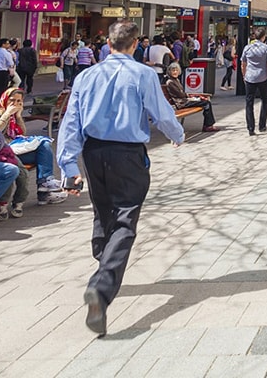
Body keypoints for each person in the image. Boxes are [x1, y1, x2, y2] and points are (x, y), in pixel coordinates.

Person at [56, 20, 185, 336]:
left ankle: (103, 266)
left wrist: (69, 168)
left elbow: (70, 122)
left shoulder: (86, 76)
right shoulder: (142, 74)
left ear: (108, 46)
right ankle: (101, 288)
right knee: (125, 221)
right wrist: (177, 134)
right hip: (127, 154)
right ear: (133, 46)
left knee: (103, 213)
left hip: (93, 153)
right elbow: (161, 113)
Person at [0, 87, 66, 218]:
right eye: (12, 100)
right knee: (20, 172)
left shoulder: (15, 115)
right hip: (0, 153)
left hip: (16, 149)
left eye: (19, 101)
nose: (15, 104)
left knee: (44, 145)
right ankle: (12, 202)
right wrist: (7, 114)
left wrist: (18, 117)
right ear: (5, 99)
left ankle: (44, 186)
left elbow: (22, 133)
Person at [165, 63, 219, 133]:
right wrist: (190, 97)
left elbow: (182, 93)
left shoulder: (176, 80)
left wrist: (191, 96)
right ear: (169, 72)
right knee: (206, 103)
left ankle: (208, 125)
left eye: (176, 70)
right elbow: (180, 94)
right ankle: (208, 125)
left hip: (184, 101)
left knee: (205, 102)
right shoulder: (170, 82)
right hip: (181, 103)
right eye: (173, 70)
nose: (175, 72)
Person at [241, 28, 267, 137]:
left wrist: (244, 75)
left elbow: (243, 64)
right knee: (265, 101)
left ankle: (250, 127)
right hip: (263, 77)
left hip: (250, 77)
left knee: (249, 103)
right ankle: (262, 125)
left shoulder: (247, 48)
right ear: (264, 37)